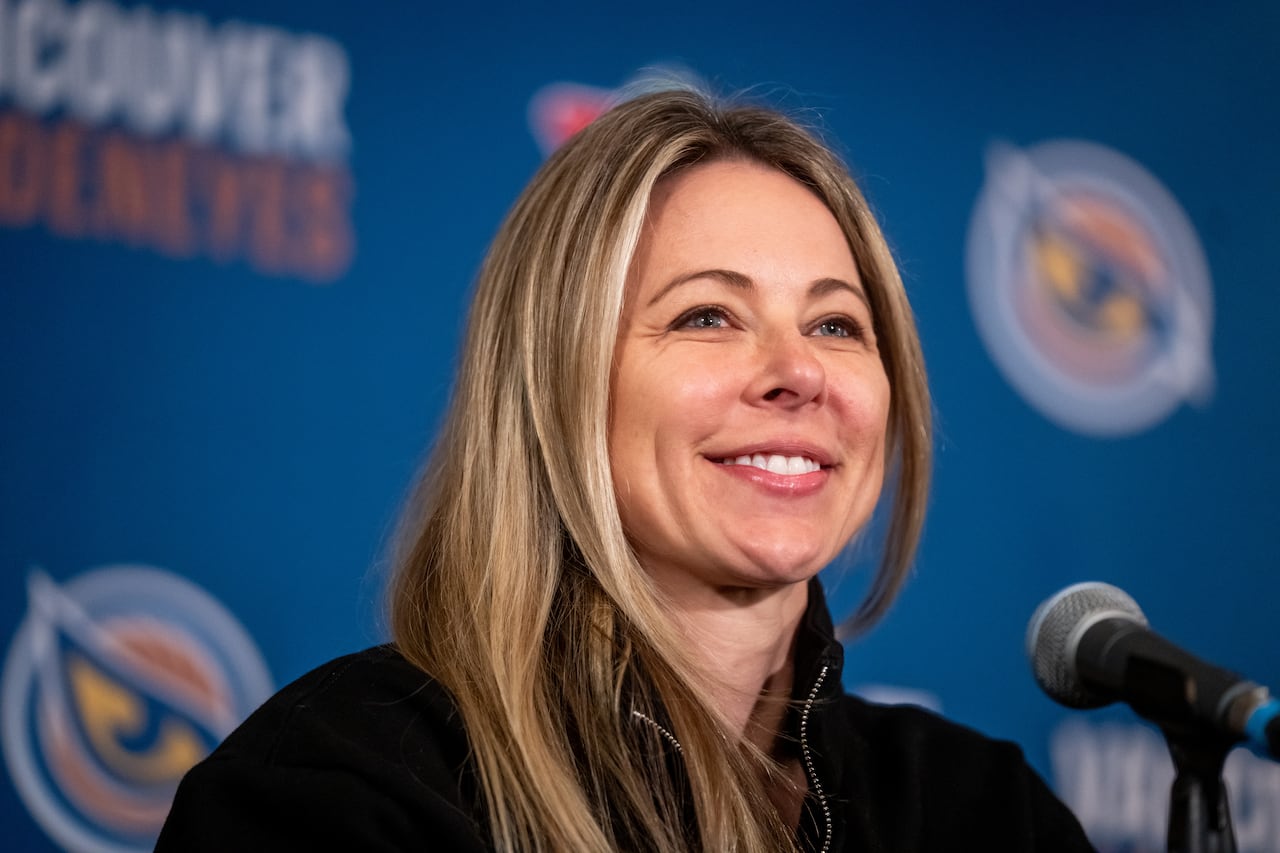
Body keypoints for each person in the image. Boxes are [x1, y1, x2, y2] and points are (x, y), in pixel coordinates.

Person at [157, 89, 1096, 852]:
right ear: (557, 380)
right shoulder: (344, 789)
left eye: (836, 324)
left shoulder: (979, 813)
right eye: (707, 316)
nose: (800, 372)